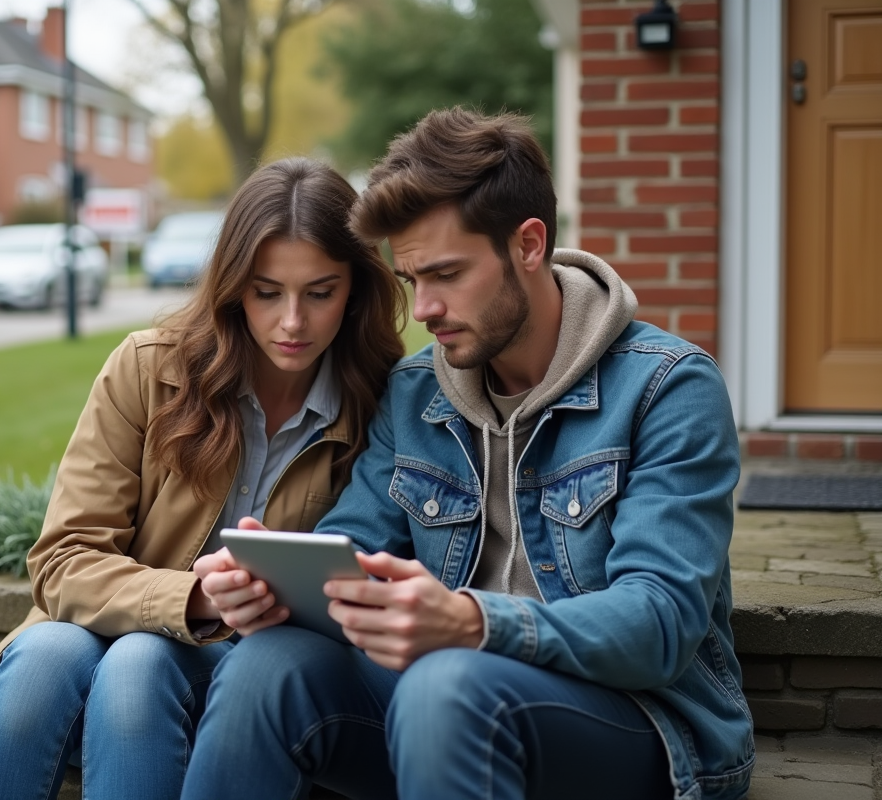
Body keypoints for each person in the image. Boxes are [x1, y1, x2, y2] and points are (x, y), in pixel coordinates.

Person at [184, 108, 754, 800]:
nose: (422, 309)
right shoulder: (416, 393)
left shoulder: (667, 388)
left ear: (529, 244)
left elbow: (660, 623)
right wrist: (270, 586)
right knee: (265, 666)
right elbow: (358, 545)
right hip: (442, 711)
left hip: (642, 726)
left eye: (447, 274)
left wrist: (475, 621)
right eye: (410, 280)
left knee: (446, 682)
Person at [0, 157, 406, 800]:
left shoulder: (378, 403)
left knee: (139, 660)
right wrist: (192, 600)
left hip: (245, 691)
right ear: (233, 286)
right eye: (267, 292)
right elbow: (63, 560)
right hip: (92, 662)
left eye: (320, 292)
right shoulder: (149, 369)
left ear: (355, 290)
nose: (293, 322)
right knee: (45, 655)